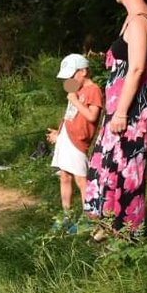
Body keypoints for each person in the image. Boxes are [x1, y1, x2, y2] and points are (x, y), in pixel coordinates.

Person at [85, 0, 147, 242]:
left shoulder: (141, 20)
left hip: (129, 111)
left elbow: (138, 68)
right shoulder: (137, 17)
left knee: (127, 169)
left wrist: (120, 112)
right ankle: (110, 224)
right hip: (121, 106)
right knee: (112, 167)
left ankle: (127, 233)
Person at [47, 54, 102, 233]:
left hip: (79, 141)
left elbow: (92, 116)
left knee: (80, 178)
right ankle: (66, 214)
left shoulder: (93, 90)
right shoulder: (75, 90)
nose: (69, 80)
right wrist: (59, 132)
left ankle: (90, 217)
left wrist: (75, 100)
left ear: (83, 71)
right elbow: (69, 115)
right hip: (66, 138)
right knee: (64, 176)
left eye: (72, 75)